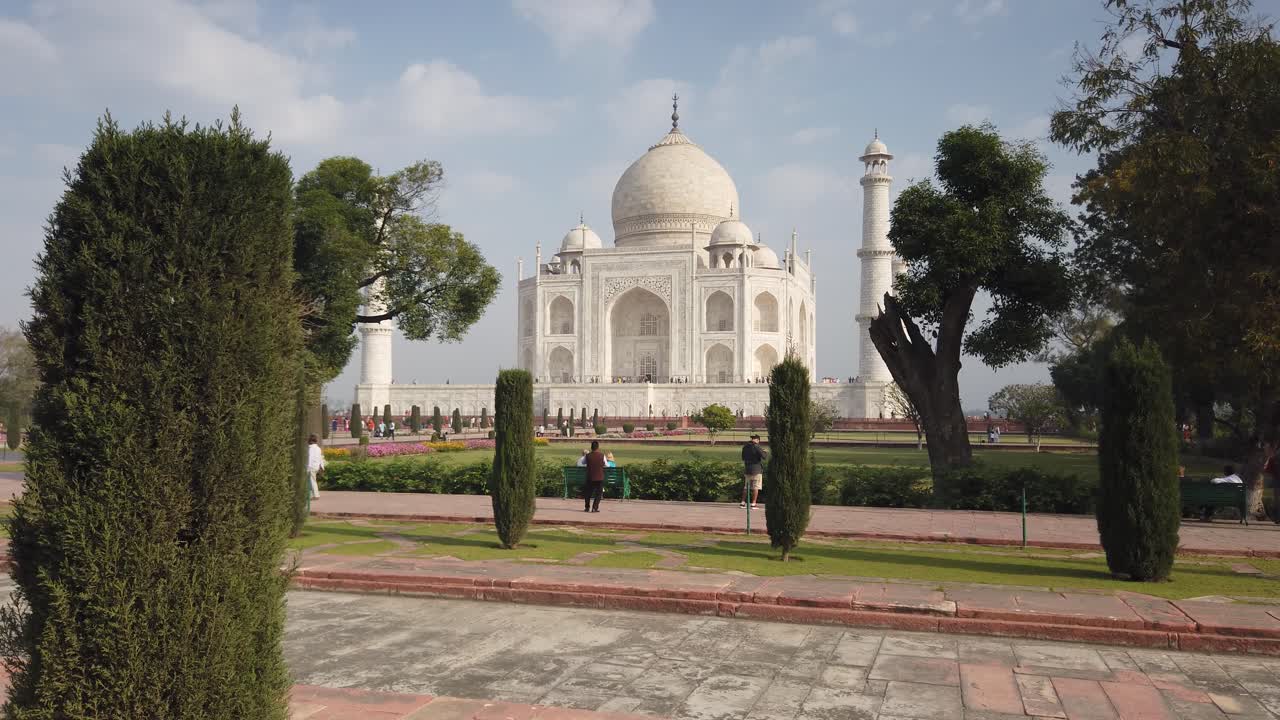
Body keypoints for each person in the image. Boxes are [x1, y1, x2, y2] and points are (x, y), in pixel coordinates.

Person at [740, 434, 767, 508]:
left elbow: (743, 457)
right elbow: (764, 457)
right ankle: (753, 503)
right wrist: (764, 451)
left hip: (747, 468)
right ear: (757, 440)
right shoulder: (757, 446)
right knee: (756, 487)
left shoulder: (745, 447)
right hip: (756, 469)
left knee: (746, 487)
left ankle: (742, 502)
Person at [584, 440, 606, 513]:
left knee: (588, 493)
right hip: (599, 477)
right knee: (599, 493)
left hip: (590, 477)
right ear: (598, 447)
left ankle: (587, 507)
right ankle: (594, 507)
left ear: (591, 447)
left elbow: (582, 462)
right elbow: (606, 464)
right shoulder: (602, 455)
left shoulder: (587, 455)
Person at [306, 434, 325, 500]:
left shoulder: (309, 448)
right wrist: (322, 467)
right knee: (311, 481)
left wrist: (308, 468)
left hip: (311, 467)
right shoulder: (318, 448)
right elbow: (321, 458)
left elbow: (310, 459)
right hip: (316, 467)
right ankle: (311, 495)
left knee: (312, 481)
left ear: (310, 441)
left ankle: (316, 495)